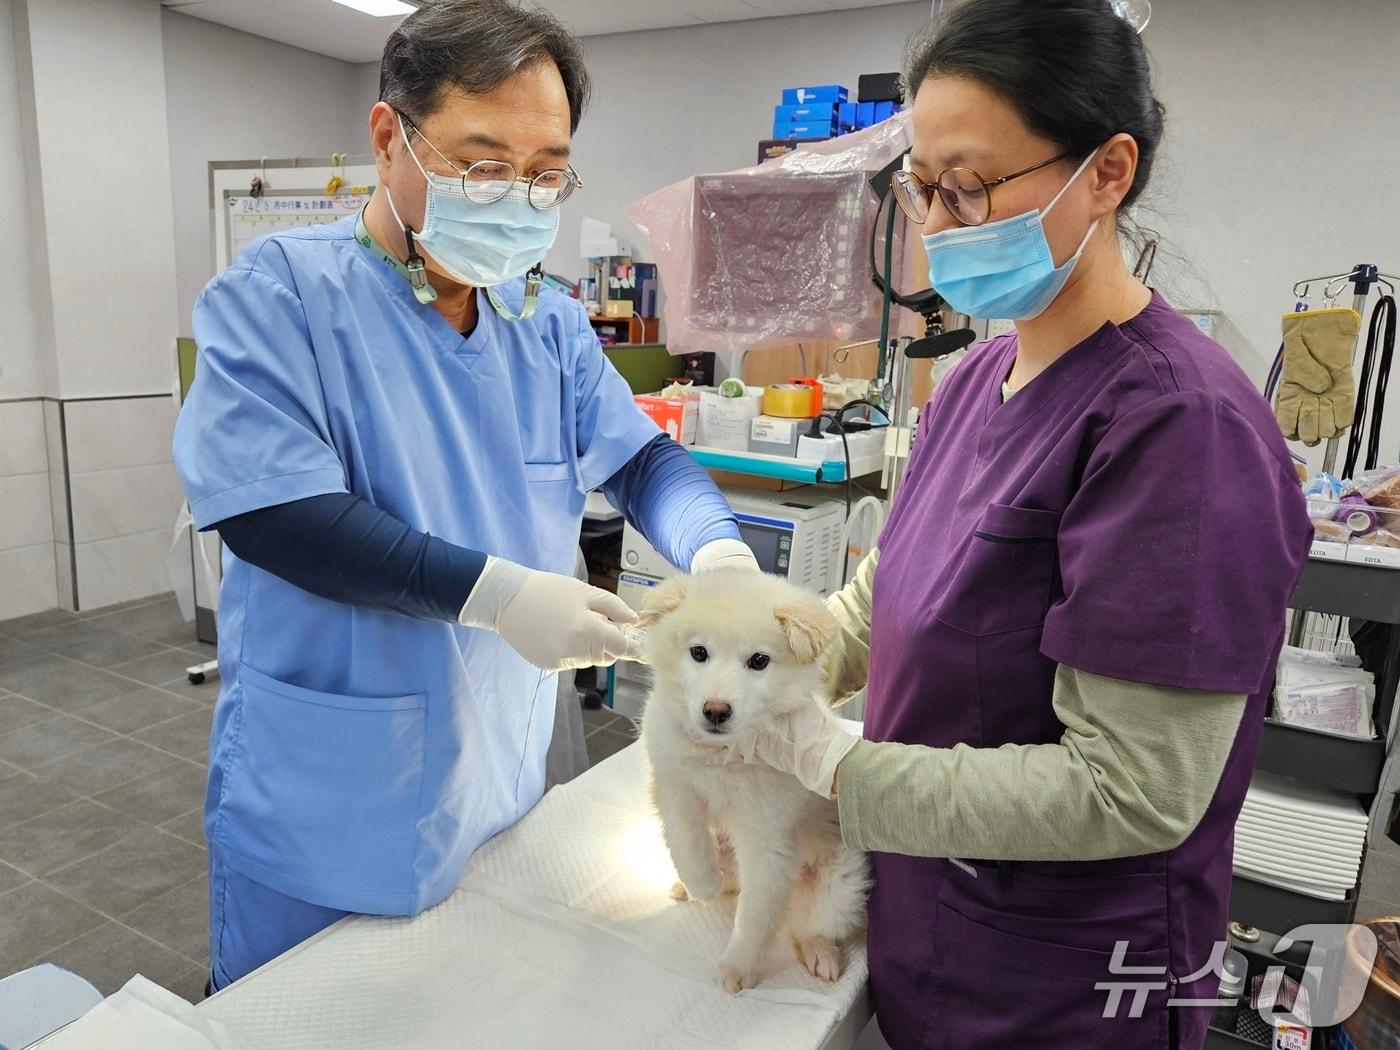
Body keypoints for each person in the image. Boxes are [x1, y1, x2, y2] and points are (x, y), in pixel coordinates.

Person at [730, 2, 1313, 1047]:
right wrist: (760, 683)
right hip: (933, 915)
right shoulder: (976, 378)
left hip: (1071, 978)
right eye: (922, 189)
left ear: (1105, 171)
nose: (941, 224)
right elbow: (887, 597)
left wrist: (834, 766)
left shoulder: (1179, 429)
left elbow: (1132, 789)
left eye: (969, 186)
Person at [173, 0, 754, 991]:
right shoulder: (280, 296)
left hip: (495, 772)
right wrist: (500, 596)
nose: (516, 199)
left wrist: (721, 558)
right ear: (387, 135)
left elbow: (640, 463)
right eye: (482, 164)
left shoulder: (546, 321)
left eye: (543, 174)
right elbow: (272, 514)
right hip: (333, 797)